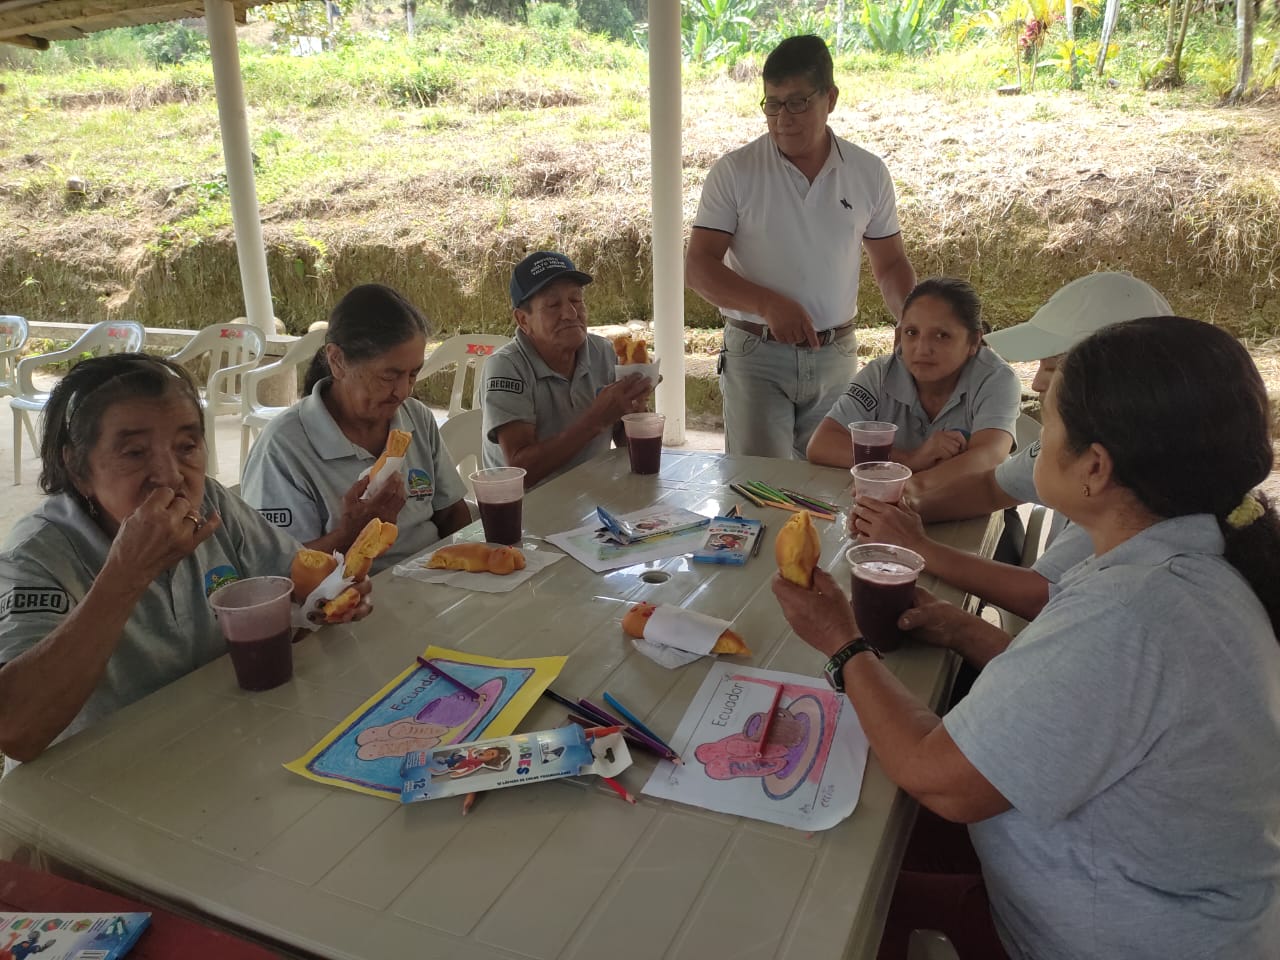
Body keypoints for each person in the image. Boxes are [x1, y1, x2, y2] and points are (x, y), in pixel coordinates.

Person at [774, 316, 1280, 959]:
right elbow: (1093, 700)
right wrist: (963, 628)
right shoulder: (1178, 557)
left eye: (1049, 423)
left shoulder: (1134, 611)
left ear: (1094, 466)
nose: (1035, 434)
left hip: (1108, 937)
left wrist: (842, 642)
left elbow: (938, 777)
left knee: (813, 885)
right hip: (1130, 889)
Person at [0, 354, 370, 765]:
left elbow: (296, 586)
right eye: (134, 453)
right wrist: (126, 574)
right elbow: (15, 730)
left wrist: (332, 593)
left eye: (187, 447)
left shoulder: (212, 505)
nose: (170, 474)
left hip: (226, 748)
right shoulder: (35, 555)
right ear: (77, 467)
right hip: (97, 780)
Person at [853, 272, 1171, 623]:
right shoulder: (1081, 439)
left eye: (1054, 367)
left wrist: (918, 546)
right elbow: (992, 487)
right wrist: (905, 510)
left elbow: (1043, 595)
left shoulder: (1133, 483)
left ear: (1114, 381)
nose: (1037, 383)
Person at [685, 34, 916, 460]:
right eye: (772, 104)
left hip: (837, 354)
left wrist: (911, 317)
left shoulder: (868, 173)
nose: (782, 119)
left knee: (831, 481)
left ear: (831, 98)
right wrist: (768, 305)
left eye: (797, 103)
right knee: (759, 484)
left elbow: (890, 263)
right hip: (756, 354)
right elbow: (699, 267)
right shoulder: (735, 172)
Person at [242, 284, 471, 573]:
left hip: (435, 579)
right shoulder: (283, 448)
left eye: (413, 374)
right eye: (389, 376)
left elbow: (451, 513)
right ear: (337, 361)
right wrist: (351, 531)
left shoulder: (416, 418)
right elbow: (276, 570)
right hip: (352, 593)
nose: (403, 391)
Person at [806, 278, 1019, 490]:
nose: (922, 348)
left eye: (942, 335)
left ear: (973, 342)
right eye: (912, 333)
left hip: (971, 505)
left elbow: (990, 457)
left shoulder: (995, 379)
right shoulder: (880, 374)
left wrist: (911, 488)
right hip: (890, 501)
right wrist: (908, 460)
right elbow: (822, 445)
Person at [480, 251, 652, 488]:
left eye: (576, 300)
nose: (570, 314)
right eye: (553, 305)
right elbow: (520, 472)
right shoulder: (507, 366)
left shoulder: (603, 352)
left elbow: (626, 444)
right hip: (529, 506)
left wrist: (637, 410)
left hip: (592, 497)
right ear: (523, 320)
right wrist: (595, 420)